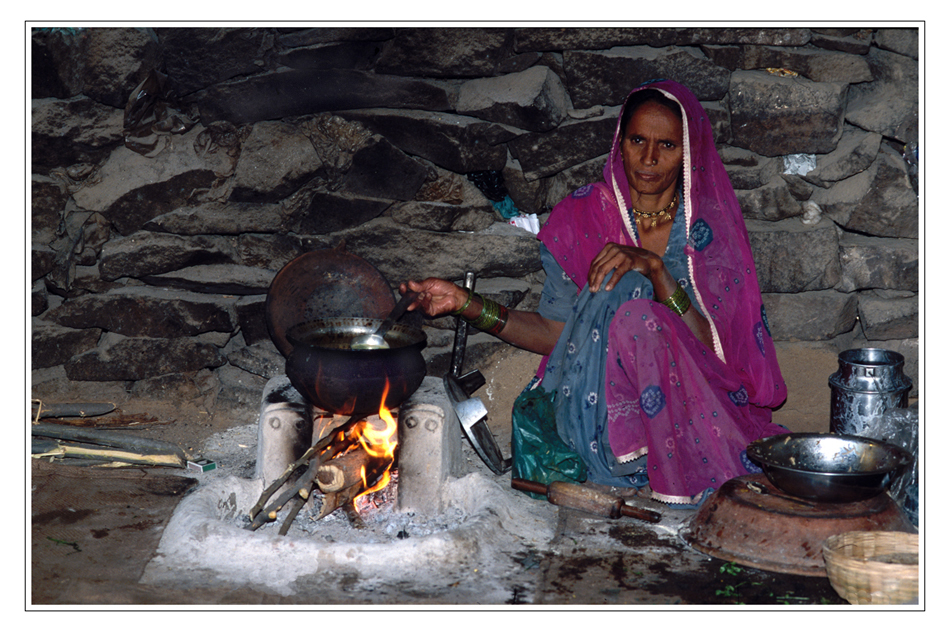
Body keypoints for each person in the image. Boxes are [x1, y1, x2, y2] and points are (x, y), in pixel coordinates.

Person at [402, 79, 788, 506]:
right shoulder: (582, 216)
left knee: (638, 298)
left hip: (690, 411)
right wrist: (466, 304)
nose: (649, 158)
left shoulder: (709, 235)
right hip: (593, 413)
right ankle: (622, 454)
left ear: (689, 154)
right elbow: (559, 333)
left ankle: (669, 460)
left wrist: (659, 273)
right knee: (624, 285)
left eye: (668, 145)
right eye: (637, 140)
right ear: (619, 143)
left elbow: (712, 355)